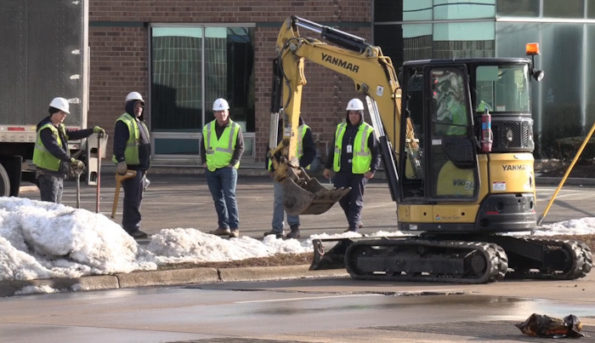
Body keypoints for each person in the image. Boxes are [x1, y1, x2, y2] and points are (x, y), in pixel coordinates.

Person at [322, 98, 381, 232]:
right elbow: (334, 149)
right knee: (341, 198)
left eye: (356, 113)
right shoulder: (340, 128)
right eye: (350, 113)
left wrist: (372, 169)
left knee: (355, 200)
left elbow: (376, 153)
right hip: (342, 171)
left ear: (361, 114)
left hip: (359, 173)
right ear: (347, 114)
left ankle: (353, 228)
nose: (353, 116)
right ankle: (354, 220)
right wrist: (327, 166)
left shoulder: (368, 130)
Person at [33, 97, 105, 203]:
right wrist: (70, 160)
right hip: (48, 173)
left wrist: (91, 130)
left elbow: (73, 134)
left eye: (65, 113)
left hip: (57, 173)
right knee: (50, 208)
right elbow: (55, 149)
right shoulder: (46, 129)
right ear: (54, 112)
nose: (65, 115)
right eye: (62, 113)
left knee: (56, 206)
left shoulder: (59, 127)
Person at [264, 117, 316, 239]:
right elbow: (270, 149)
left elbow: (310, 152)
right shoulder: (276, 128)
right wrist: (270, 167)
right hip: (279, 170)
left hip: (294, 172)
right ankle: (277, 229)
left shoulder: (303, 130)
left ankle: (294, 228)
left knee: (292, 199)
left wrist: (298, 165)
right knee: (278, 200)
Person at [200, 98, 244, 238]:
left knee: (229, 197)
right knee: (217, 199)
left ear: (228, 112)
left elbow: (240, 146)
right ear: (214, 113)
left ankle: (234, 227)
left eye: (223, 111)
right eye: (218, 112)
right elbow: (202, 146)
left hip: (227, 168)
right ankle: (223, 226)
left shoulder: (235, 128)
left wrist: (233, 162)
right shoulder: (207, 128)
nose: (221, 115)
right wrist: (203, 162)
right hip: (212, 168)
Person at [112, 91, 151, 239]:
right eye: (136, 105)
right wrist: (121, 160)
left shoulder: (139, 123)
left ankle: (133, 226)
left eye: (141, 105)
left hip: (140, 168)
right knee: (132, 198)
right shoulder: (124, 122)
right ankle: (131, 227)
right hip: (130, 167)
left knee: (136, 198)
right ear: (129, 106)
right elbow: (118, 144)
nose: (139, 108)